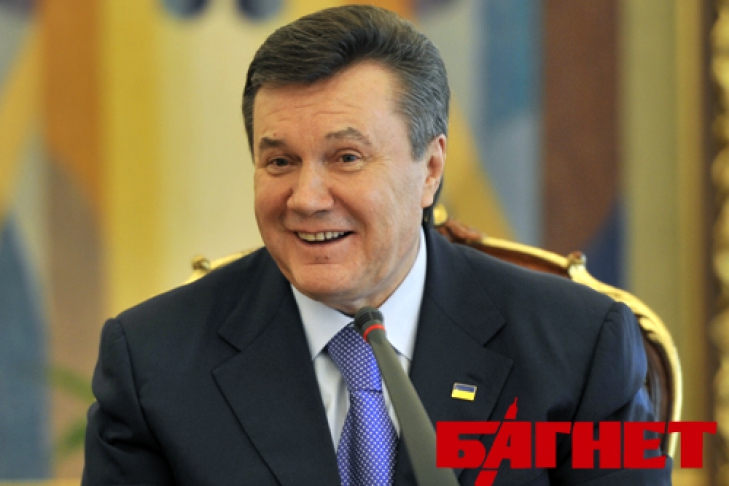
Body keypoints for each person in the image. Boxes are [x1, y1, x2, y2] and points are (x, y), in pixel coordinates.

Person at [83, 5, 672, 485]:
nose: (306, 198)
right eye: (280, 161)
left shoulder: (578, 346)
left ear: (430, 169)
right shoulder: (153, 362)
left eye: (346, 157)